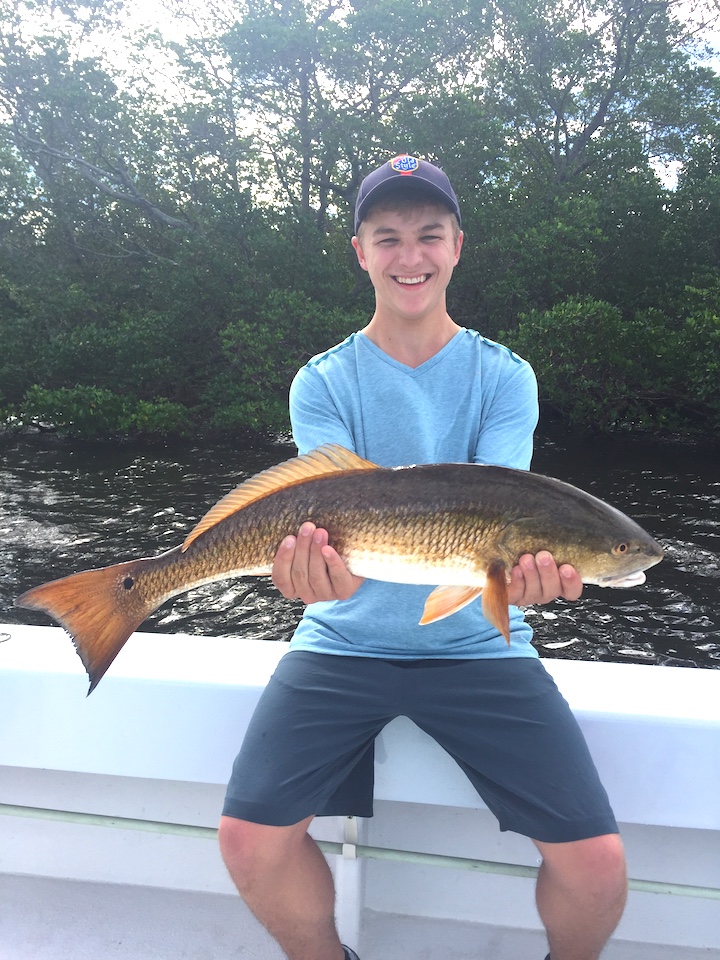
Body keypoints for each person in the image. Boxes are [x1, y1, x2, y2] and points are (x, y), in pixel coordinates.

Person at [218, 155, 627, 960]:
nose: (412, 256)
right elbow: (321, 511)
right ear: (360, 252)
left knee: (599, 867)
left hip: (481, 648)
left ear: (458, 247)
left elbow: (507, 511)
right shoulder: (323, 381)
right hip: (340, 637)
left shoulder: (504, 377)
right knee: (248, 841)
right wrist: (311, 576)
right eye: (389, 237)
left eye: (429, 235)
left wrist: (517, 582)